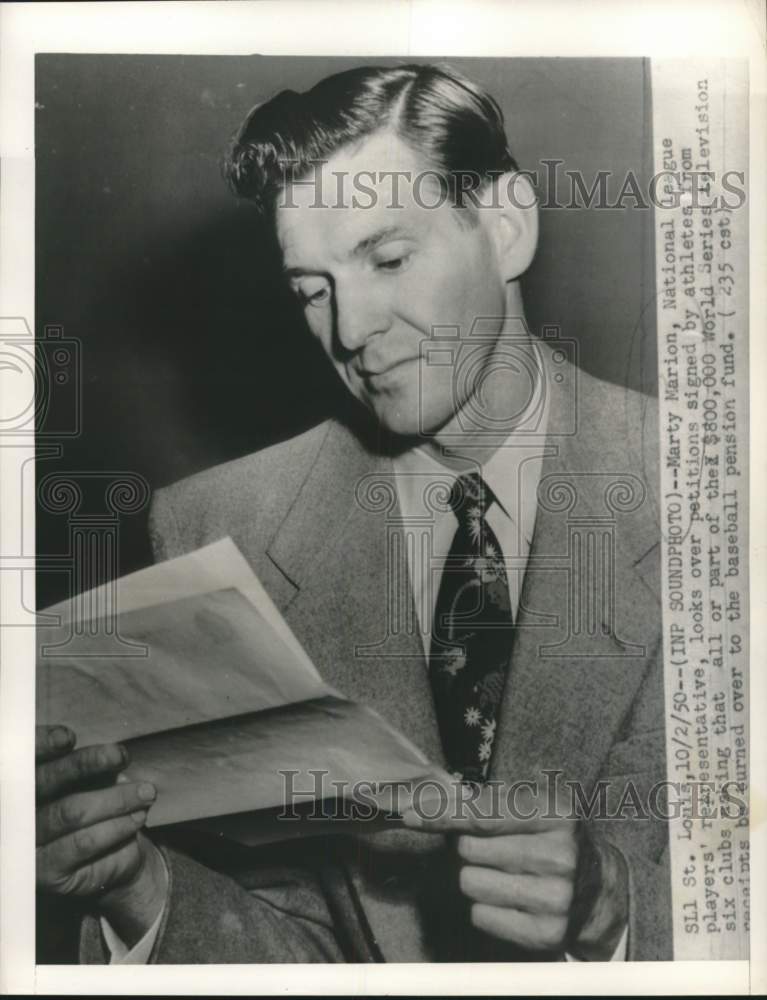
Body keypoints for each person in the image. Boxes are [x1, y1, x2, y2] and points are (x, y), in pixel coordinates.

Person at [36, 63, 670, 963]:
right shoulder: (220, 533)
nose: (350, 329)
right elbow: (291, 945)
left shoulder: (719, 490)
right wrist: (139, 884)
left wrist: (615, 911)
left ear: (506, 225)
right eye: (311, 288)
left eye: (387, 258)